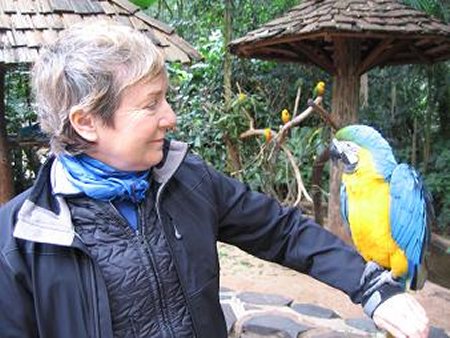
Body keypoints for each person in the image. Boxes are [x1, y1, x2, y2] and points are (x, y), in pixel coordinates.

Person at [0, 20, 428, 338]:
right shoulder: (18, 242)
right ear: (87, 122)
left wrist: (372, 287)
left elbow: (282, 230)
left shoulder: (185, 177)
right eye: (151, 105)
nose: (170, 117)